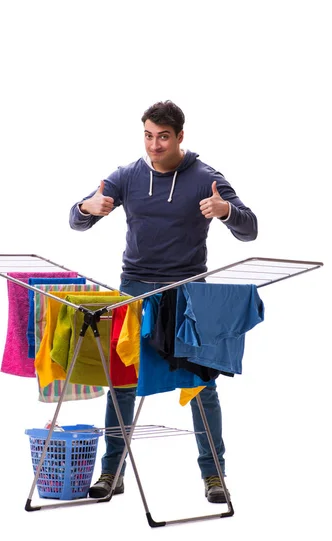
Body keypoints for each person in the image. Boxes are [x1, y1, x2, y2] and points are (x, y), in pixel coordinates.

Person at [69, 100, 257, 503]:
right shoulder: (127, 176)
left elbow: (250, 229)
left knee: (201, 384)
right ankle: (111, 471)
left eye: (164, 137)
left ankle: (214, 477)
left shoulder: (206, 177)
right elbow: (75, 217)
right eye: (149, 136)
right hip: (134, 289)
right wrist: (88, 208)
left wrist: (225, 211)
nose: (154, 145)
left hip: (188, 294)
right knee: (120, 381)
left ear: (180, 137)